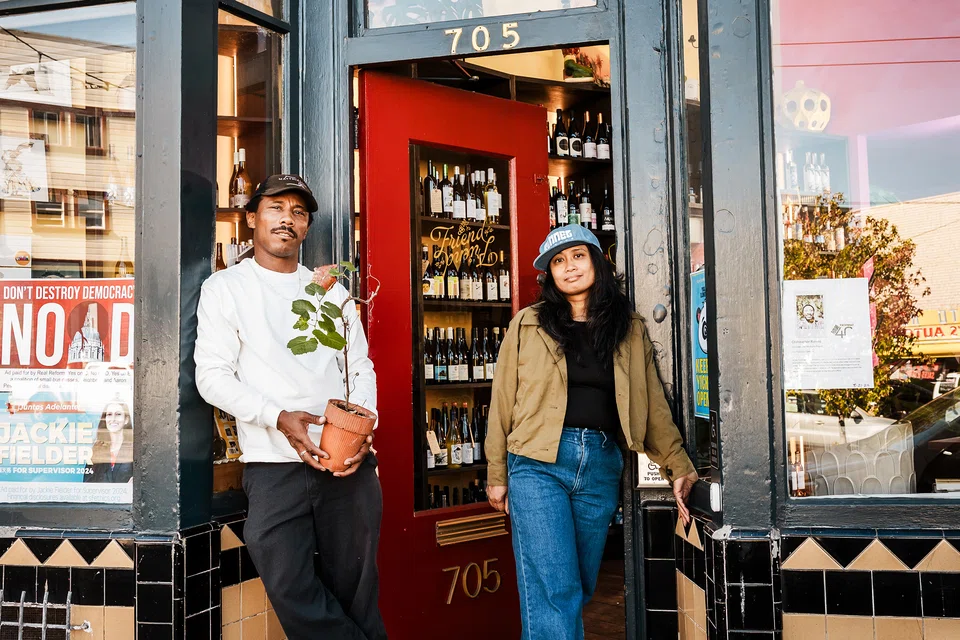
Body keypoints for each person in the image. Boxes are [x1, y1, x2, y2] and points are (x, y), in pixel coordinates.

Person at [194, 174, 386, 640]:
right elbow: (211, 377)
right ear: (252, 217)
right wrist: (277, 416)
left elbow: (359, 367)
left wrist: (360, 433)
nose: (287, 218)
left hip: (345, 468)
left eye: (298, 212)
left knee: (356, 593)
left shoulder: (330, 293)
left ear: (305, 228)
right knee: (289, 585)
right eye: (276, 207)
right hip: (273, 467)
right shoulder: (226, 288)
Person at [485, 225, 698, 640]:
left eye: (577, 256)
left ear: (598, 261)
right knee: (556, 590)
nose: (569, 268)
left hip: (600, 465)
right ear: (550, 275)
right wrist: (497, 473)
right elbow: (502, 402)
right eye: (558, 262)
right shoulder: (528, 325)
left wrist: (678, 465)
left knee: (577, 588)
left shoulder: (629, 327)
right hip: (537, 464)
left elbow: (651, 402)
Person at [85, 400, 133, 484]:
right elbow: (87, 483)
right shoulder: (97, 450)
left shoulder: (134, 449)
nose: (113, 419)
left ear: (126, 420)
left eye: (118, 414)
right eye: (109, 414)